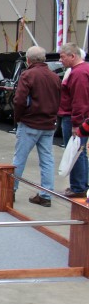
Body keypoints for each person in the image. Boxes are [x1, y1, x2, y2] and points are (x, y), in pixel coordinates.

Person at [11, 46, 61, 207]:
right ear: (44, 59)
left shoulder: (28, 74)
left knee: (19, 158)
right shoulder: (55, 76)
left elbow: (19, 100)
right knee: (47, 161)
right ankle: (46, 195)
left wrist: (18, 118)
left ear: (28, 60)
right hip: (48, 125)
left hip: (29, 123)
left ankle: (10, 190)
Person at [58, 42, 89, 198]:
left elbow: (79, 100)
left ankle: (78, 187)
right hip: (80, 118)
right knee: (80, 151)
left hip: (75, 118)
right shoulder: (83, 70)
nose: (60, 60)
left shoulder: (78, 73)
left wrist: (76, 123)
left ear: (73, 56)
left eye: (62, 57)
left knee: (75, 151)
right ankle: (81, 184)